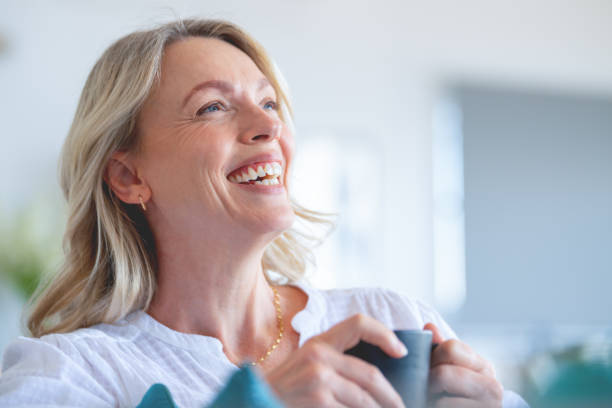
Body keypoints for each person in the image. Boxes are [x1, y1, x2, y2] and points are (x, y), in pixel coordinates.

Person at [0, 19, 527, 408]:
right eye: (212, 107)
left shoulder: (396, 325)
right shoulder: (72, 374)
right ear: (128, 177)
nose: (267, 127)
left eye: (270, 104)